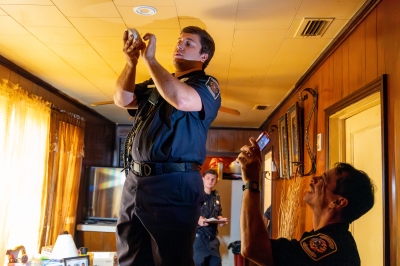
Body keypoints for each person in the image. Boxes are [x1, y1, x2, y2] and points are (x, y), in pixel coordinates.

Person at [113, 26, 221, 266]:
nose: (179, 45)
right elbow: (122, 99)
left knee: (172, 259)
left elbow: (181, 99)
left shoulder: (206, 84)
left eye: (189, 43)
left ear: (204, 57)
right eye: (179, 41)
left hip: (175, 184)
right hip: (135, 181)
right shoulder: (155, 85)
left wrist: (150, 59)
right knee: (130, 256)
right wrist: (131, 62)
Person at [237, 138, 375, 266]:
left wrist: (252, 182)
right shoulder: (333, 239)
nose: (314, 179)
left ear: (338, 202)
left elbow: (253, 247)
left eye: (323, 180)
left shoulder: (329, 246)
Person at [194, 169, 228, 266]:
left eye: (213, 179)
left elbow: (218, 214)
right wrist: (197, 219)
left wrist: (221, 220)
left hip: (213, 241)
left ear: (216, 181)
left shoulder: (216, 196)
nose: (210, 181)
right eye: (208, 178)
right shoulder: (196, 195)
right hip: (199, 240)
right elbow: (187, 214)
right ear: (203, 179)